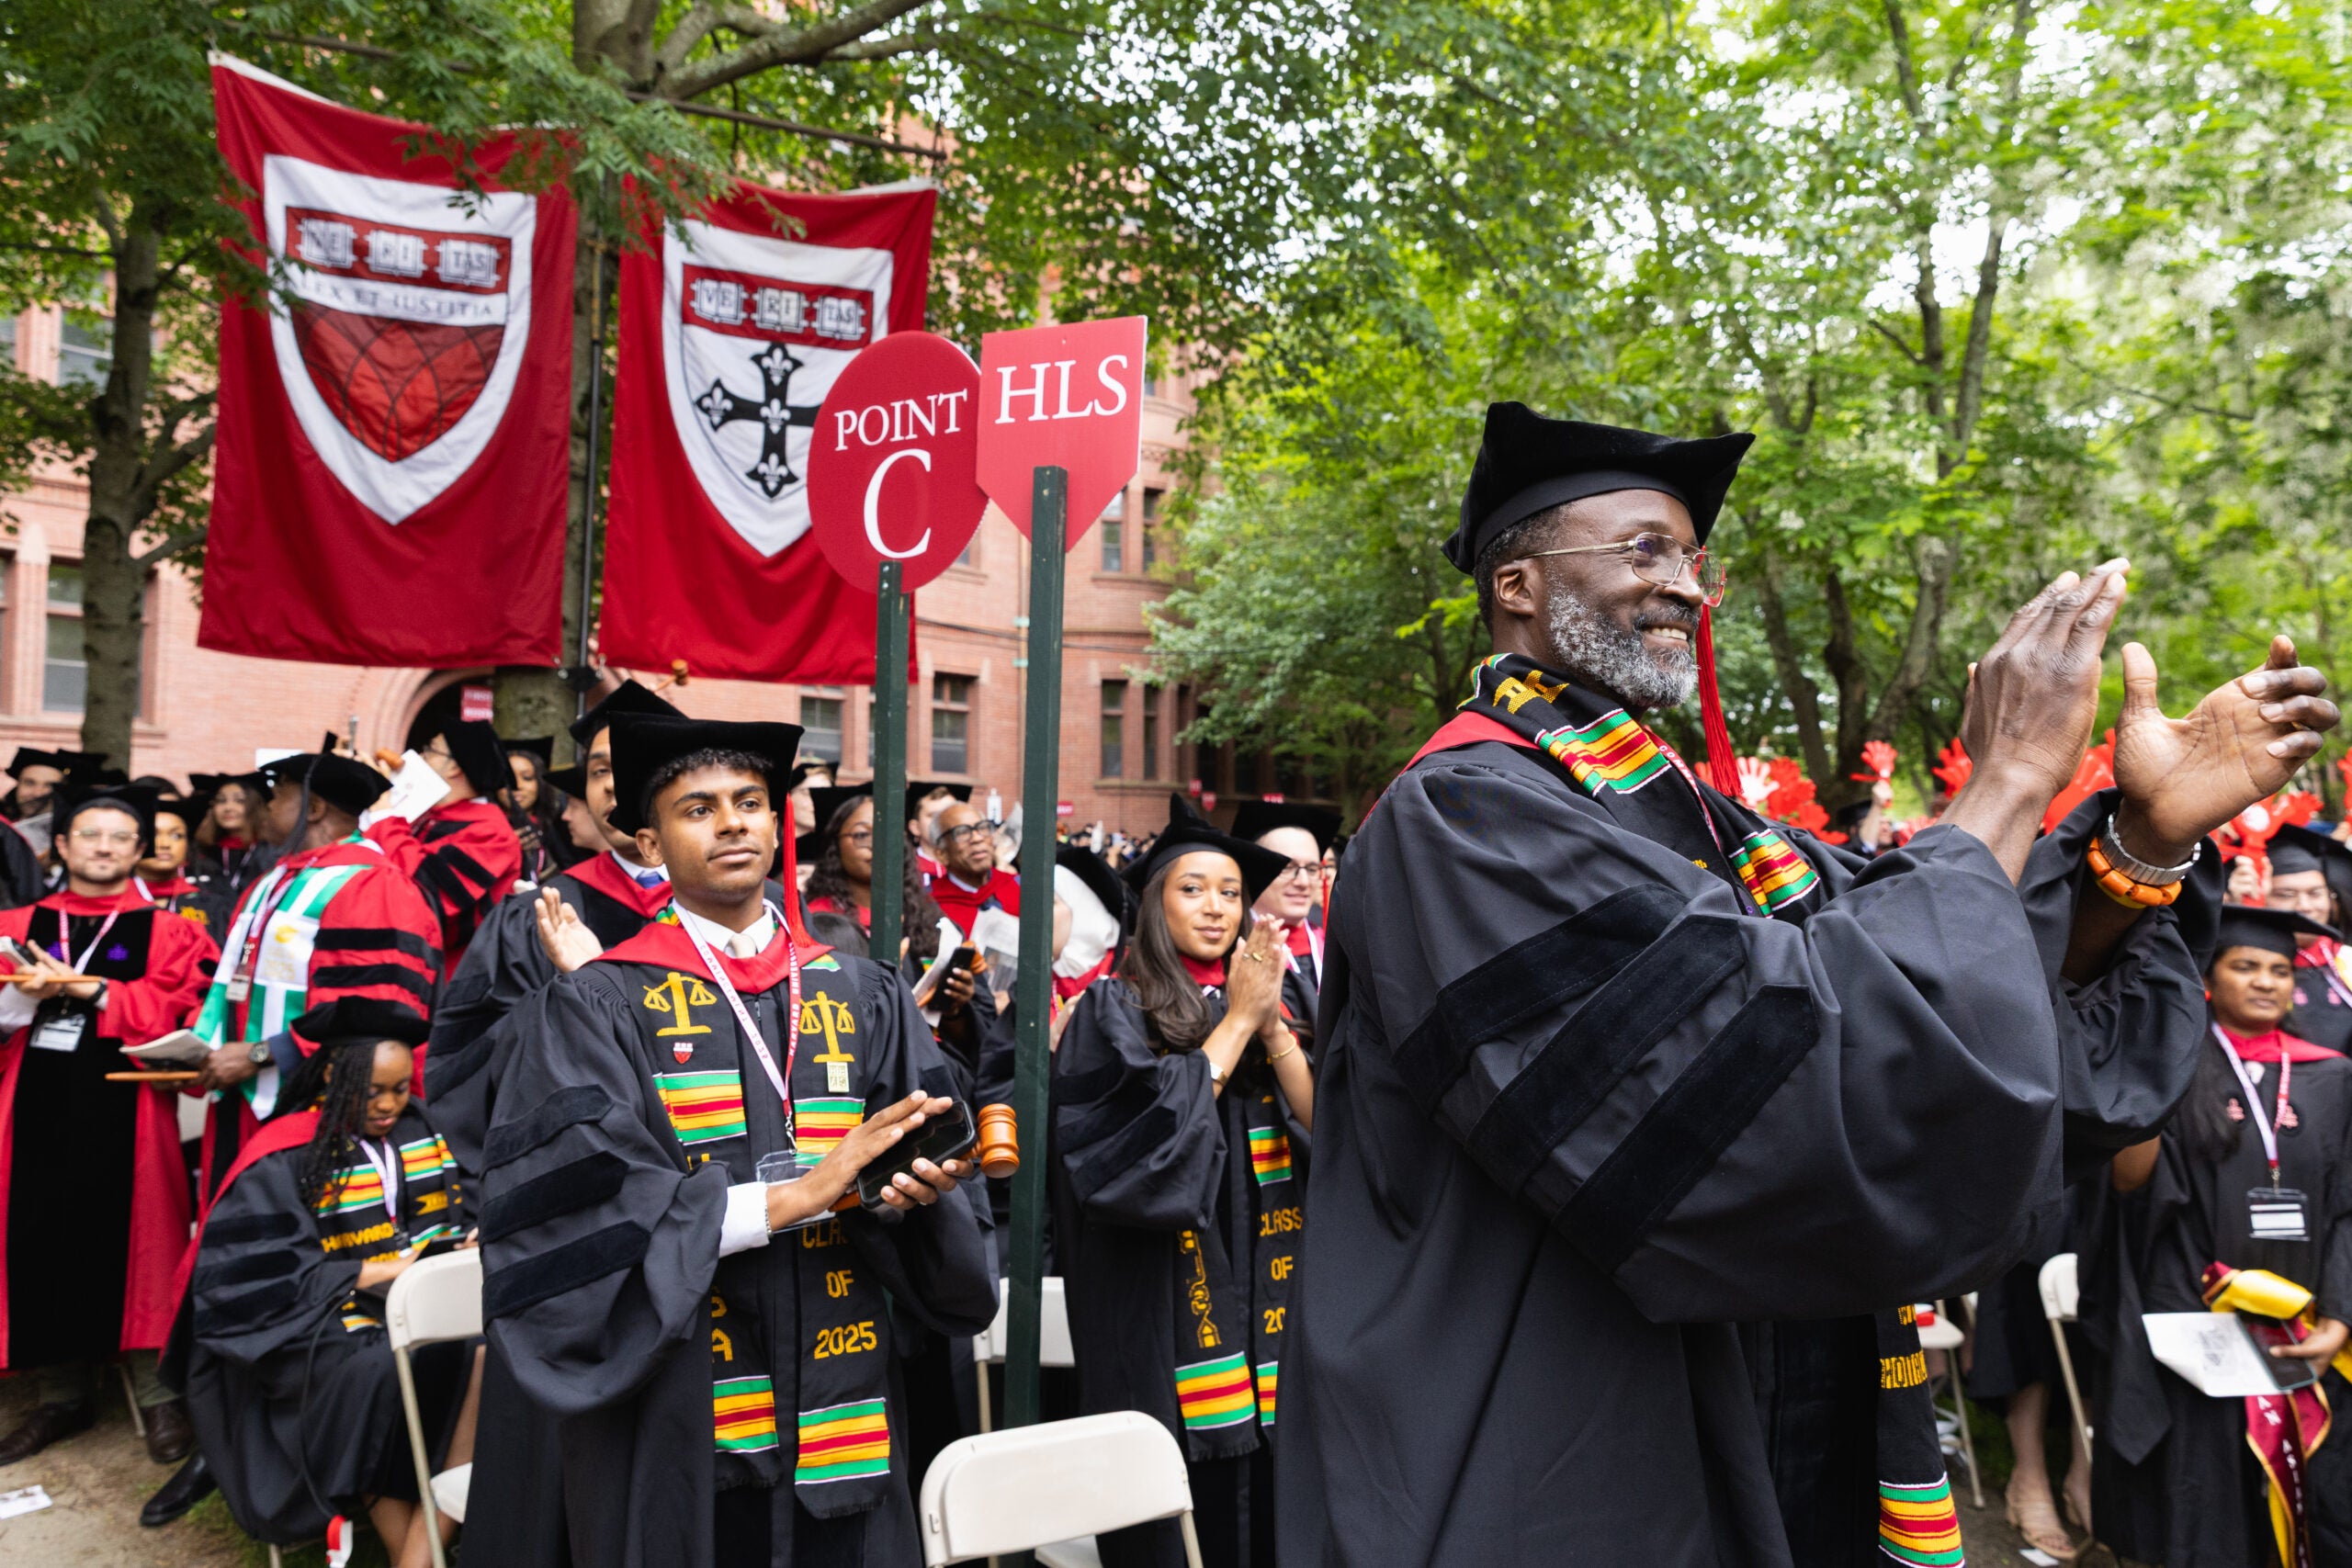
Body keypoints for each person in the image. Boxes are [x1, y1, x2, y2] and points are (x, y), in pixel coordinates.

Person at [1274, 403, 2338, 1568]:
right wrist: (2010, 780)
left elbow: (1934, 999)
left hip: (1781, 1420)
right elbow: (1765, 1096)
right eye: (1642, 549)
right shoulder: (1468, 815)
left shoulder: (1710, 829)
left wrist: (2135, 850)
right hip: (1555, 1445)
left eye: (1691, 557)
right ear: (1517, 585)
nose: (1685, 585)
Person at [479, 713, 995, 1568]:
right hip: (680, 1395)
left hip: (847, 1373)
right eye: (698, 808)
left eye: (751, 801)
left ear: (777, 822)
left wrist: (910, 1192)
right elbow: (583, 1205)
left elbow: (925, 1153)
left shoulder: (862, 989)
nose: (732, 822)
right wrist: (793, 1196)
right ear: (650, 840)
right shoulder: (599, 1002)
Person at [418, 678, 683, 1568]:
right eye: (602, 769)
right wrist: (581, 1008)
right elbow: (470, 1070)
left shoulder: (757, 926)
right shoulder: (540, 917)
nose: (617, 783)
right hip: (582, 1232)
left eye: (639, 765)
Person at [1051, 796, 1307, 1567]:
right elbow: (1139, 1157)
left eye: (1231, 891)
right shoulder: (1114, 1009)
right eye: (1192, 887)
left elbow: (1331, 1132)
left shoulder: (1272, 1004)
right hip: (1161, 1296)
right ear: (1156, 906)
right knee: (1178, 1499)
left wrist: (1269, 1023)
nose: (1217, 906)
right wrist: (1237, 1018)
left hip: (1270, 1287)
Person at [167, 998, 485, 1565]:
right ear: (336, 1076)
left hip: (426, 1305)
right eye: (373, 1092)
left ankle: (419, 1553)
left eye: (401, 1087)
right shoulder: (286, 1151)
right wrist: (388, 1271)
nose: (389, 1105)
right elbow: (263, 1278)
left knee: (482, 1354)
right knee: (378, 1376)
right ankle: (420, 1555)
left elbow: (465, 1206)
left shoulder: (424, 1130)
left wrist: (466, 1240)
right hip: (317, 1320)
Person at [2087, 905, 2352, 1567]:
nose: (2265, 981)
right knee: (2206, 1507)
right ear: (2210, 976)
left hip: (2306, 1325)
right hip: (2200, 1324)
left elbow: (2350, 1206)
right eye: (2245, 966)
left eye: (2279, 970)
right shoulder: (2181, 1066)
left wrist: (2343, 1317)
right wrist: (2145, 1068)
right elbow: (2135, 1195)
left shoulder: (2333, 1076)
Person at [0, 782, 217, 1467]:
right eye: (90, 834)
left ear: (139, 849)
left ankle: (157, 1395)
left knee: (142, 1240)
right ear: (61, 845)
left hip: (130, 1110)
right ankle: (60, 1395)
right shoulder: (17, 924)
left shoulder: (173, 929)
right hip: (29, 1100)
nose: (104, 847)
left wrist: (87, 987)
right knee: (35, 1234)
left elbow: (187, 1004)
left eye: (120, 837)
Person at [187, 751, 443, 1198]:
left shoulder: (374, 886)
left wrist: (256, 1055)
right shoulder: (275, 880)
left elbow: (370, 1017)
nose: (263, 807)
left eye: (276, 794)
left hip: (319, 1114)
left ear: (317, 807)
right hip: (241, 1095)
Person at [368, 719, 523, 979]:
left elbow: (424, 890)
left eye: (431, 749)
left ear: (454, 767)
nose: (418, 757)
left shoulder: (491, 833)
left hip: (449, 981)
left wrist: (385, 819)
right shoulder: (430, 817)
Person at [1230, 799, 1339, 1048]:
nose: (1303, 882)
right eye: (1286, 867)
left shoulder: (1335, 945)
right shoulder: (1232, 948)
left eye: (1312, 869)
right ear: (1253, 870)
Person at [2262, 824, 2352, 1055]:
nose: (2305, 907)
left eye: (2315, 893)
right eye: (2286, 895)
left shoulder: (2347, 959)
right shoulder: (2250, 971)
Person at [135, 792, 233, 937]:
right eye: (153, 835)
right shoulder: (113, 900)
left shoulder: (213, 905)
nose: (165, 844)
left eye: (176, 836)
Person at [927, 798, 1020, 937]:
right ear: (941, 854)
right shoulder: (930, 906)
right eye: (962, 832)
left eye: (982, 828)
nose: (977, 838)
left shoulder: (1018, 888)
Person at [800, 785, 878, 938]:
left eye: (888, 835)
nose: (876, 845)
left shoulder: (921, 913)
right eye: (862, 835)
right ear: (835, 845)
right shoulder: (819, 918)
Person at [190, 773, 277, 893]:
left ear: (255, 806)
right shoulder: (202, 851)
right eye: (221, 800)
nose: (228, 808)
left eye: (239, 801)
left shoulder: (272, 852)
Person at [906, 781, 968, 883]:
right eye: (933, 815)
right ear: (915, 828)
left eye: (949, 813)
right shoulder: (904, 871)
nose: (942, 821)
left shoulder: (973, 869)